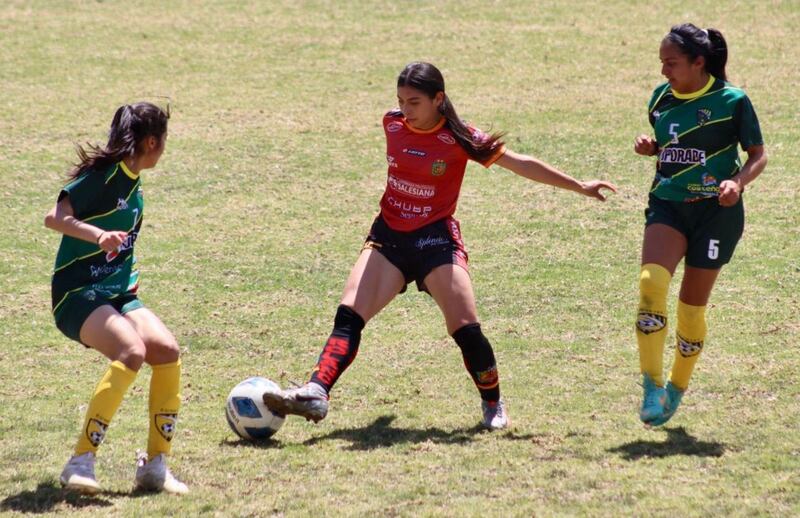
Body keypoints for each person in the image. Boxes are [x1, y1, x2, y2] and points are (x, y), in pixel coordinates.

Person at [262, 62, 617, 430]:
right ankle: (317, 391)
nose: (405, 110)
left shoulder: (462, 139)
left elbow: (521, 164)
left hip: (435, 240)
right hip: (389, 236)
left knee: (465, 328)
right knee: (349, 315)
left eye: (414, 102)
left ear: (438, 99)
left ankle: (493, 403)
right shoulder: (392, 123)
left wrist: (579, 185)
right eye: (400, 100)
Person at [44, 102, 188, 494]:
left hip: (117, 292)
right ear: (152, 141)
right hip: (77, 294)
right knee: (131, 351)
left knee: (166, 350)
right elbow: (54, 218)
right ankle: (81, 461)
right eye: (164, 141)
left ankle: (155, 466)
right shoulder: (102, 177)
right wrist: (97, 236)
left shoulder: (133, 180)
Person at [634, 24, 767, 426]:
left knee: (691, 308)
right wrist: (652, 148)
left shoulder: (733, 101)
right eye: (661, 63)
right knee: (650, 285)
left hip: (716, 214)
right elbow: (672, 144)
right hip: (669, 204)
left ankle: (677, 387)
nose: (663, 72)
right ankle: (650, 385)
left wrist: (737, 182)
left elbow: (759, 154)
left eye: (671, 63)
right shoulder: (660, 98)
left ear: (698, 62)